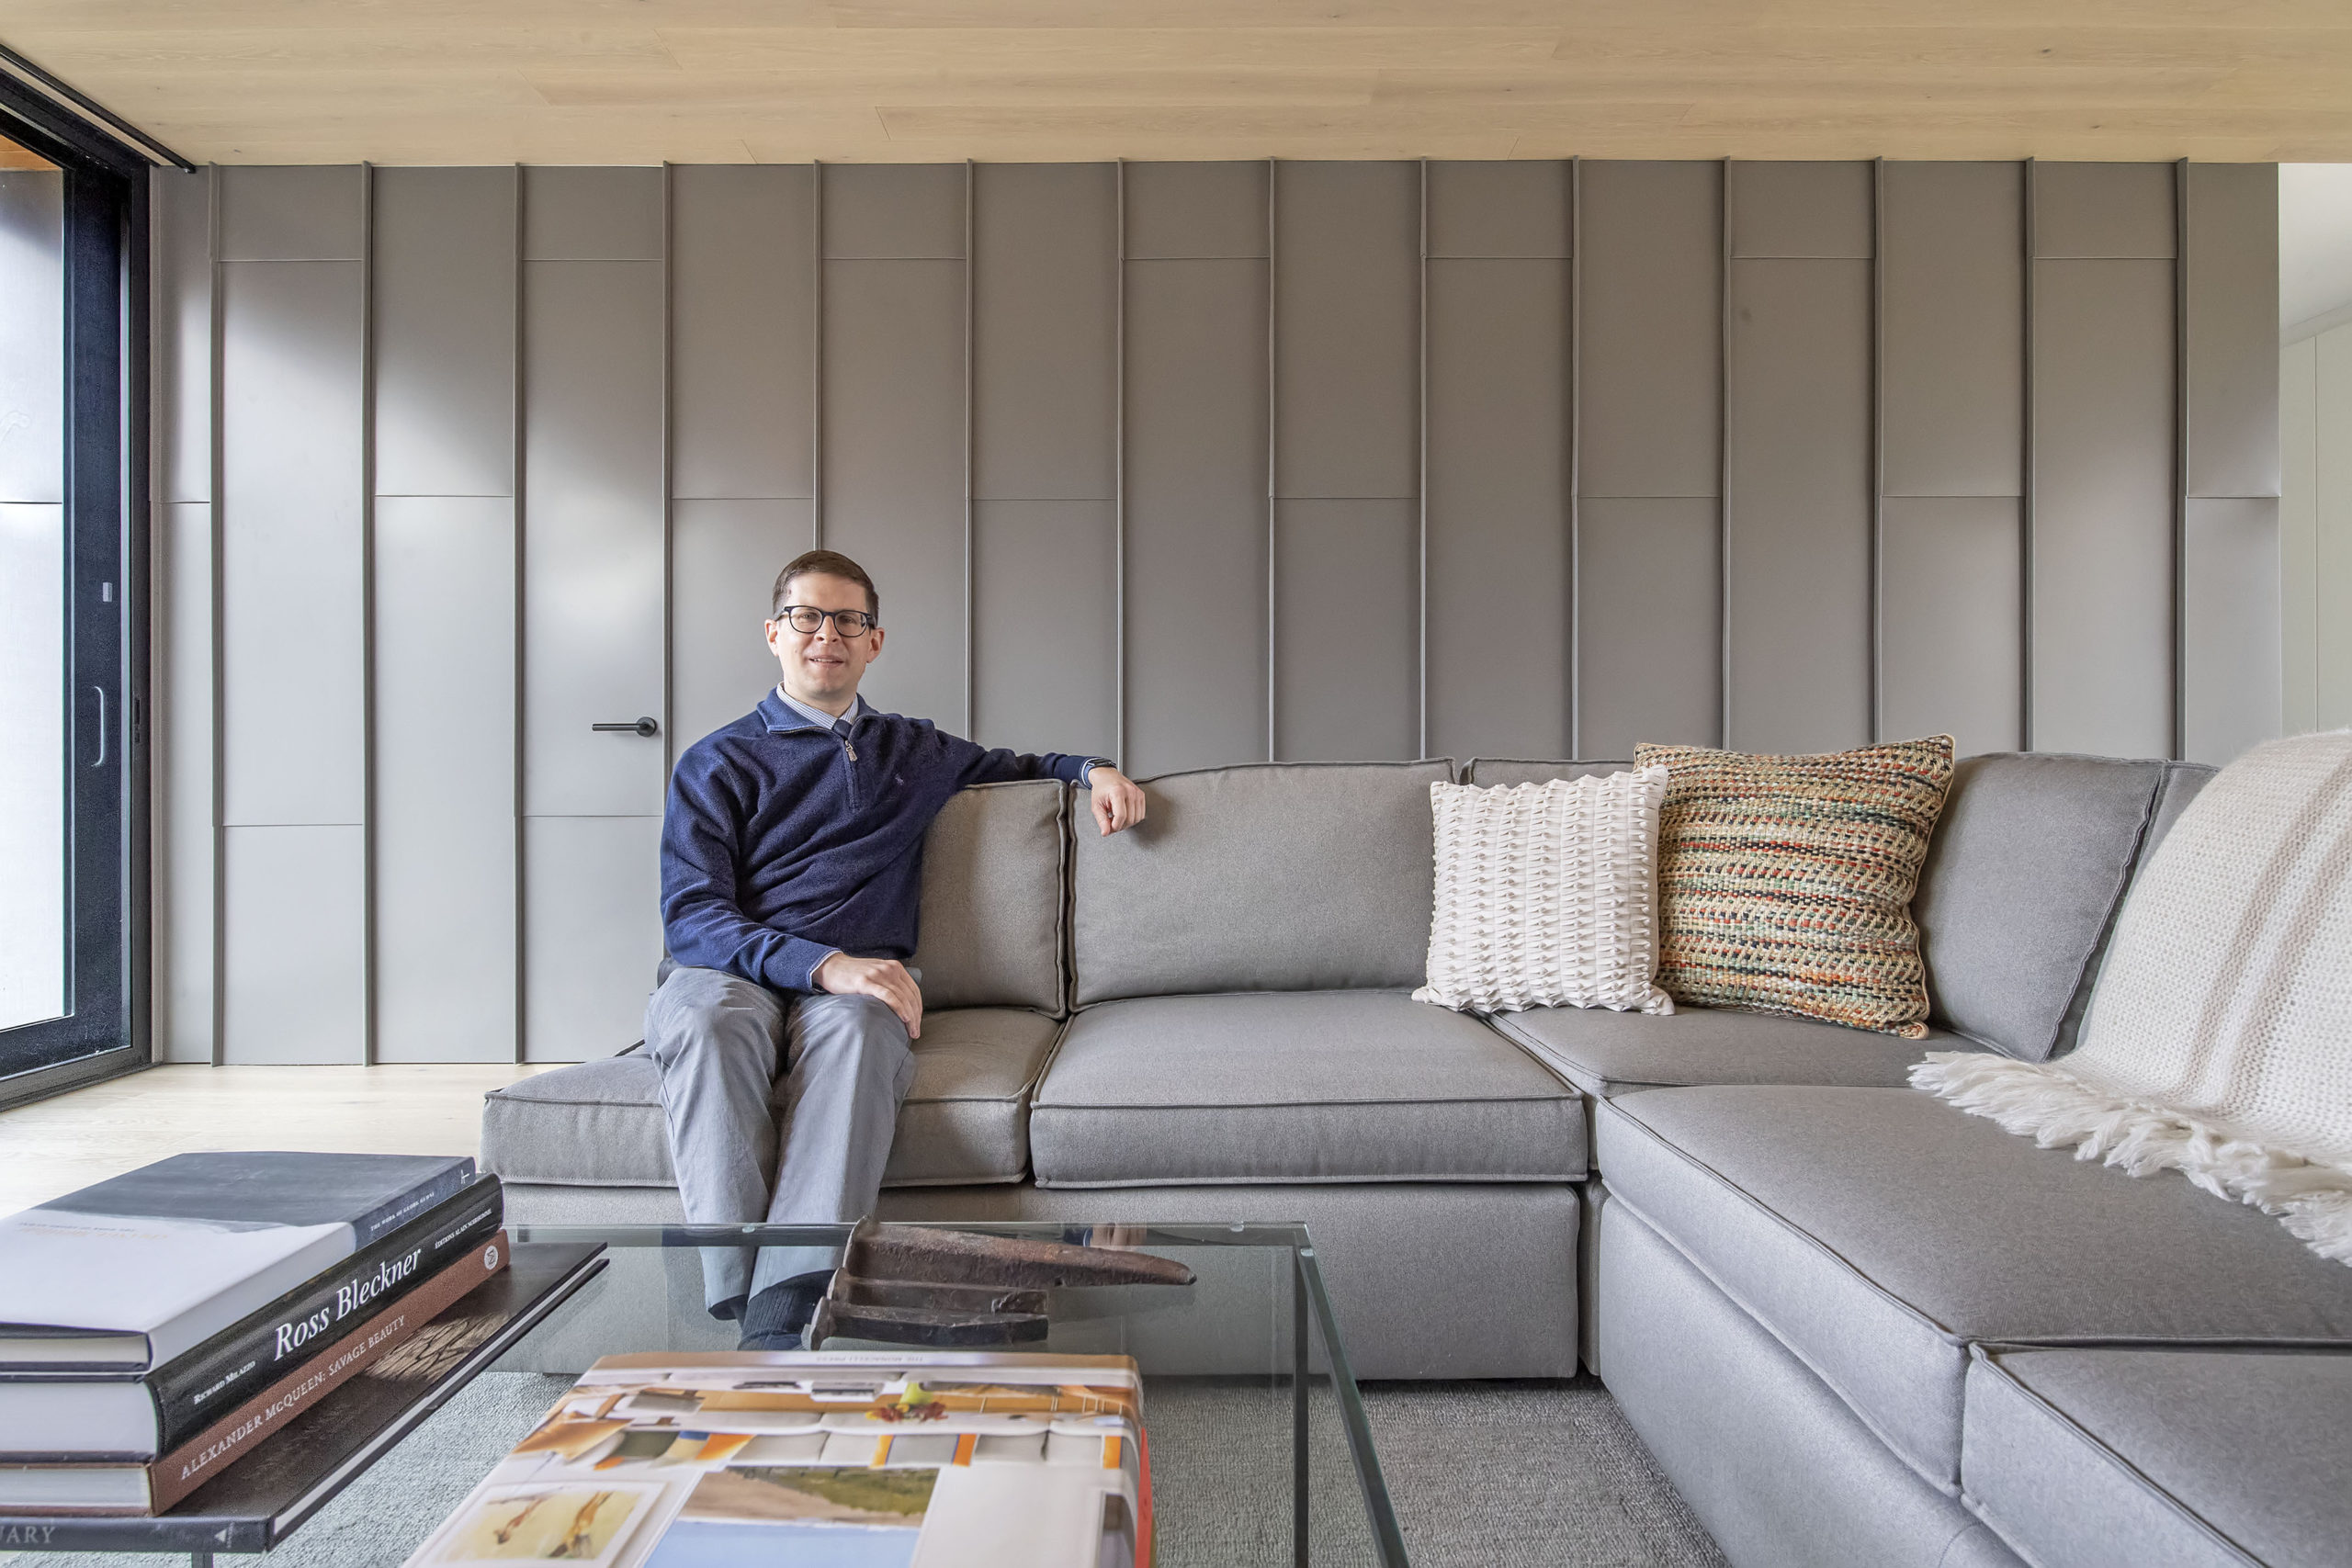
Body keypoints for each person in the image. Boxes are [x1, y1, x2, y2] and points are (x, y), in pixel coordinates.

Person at [648, 549, 1148, 1350]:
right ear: (774, 633)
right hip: (729, 972)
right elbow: (693, 919)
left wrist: (1096, 769)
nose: (827, 635)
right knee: (710, 1030)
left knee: (859, 1032)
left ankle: (777, 1323)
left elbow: (1021, 768)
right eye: (807, 617)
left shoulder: (913, 751)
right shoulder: (716, 761)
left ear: (874, 642)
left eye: (848, 620)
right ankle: (764, 1310)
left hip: (855, 987)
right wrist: (821, 963)